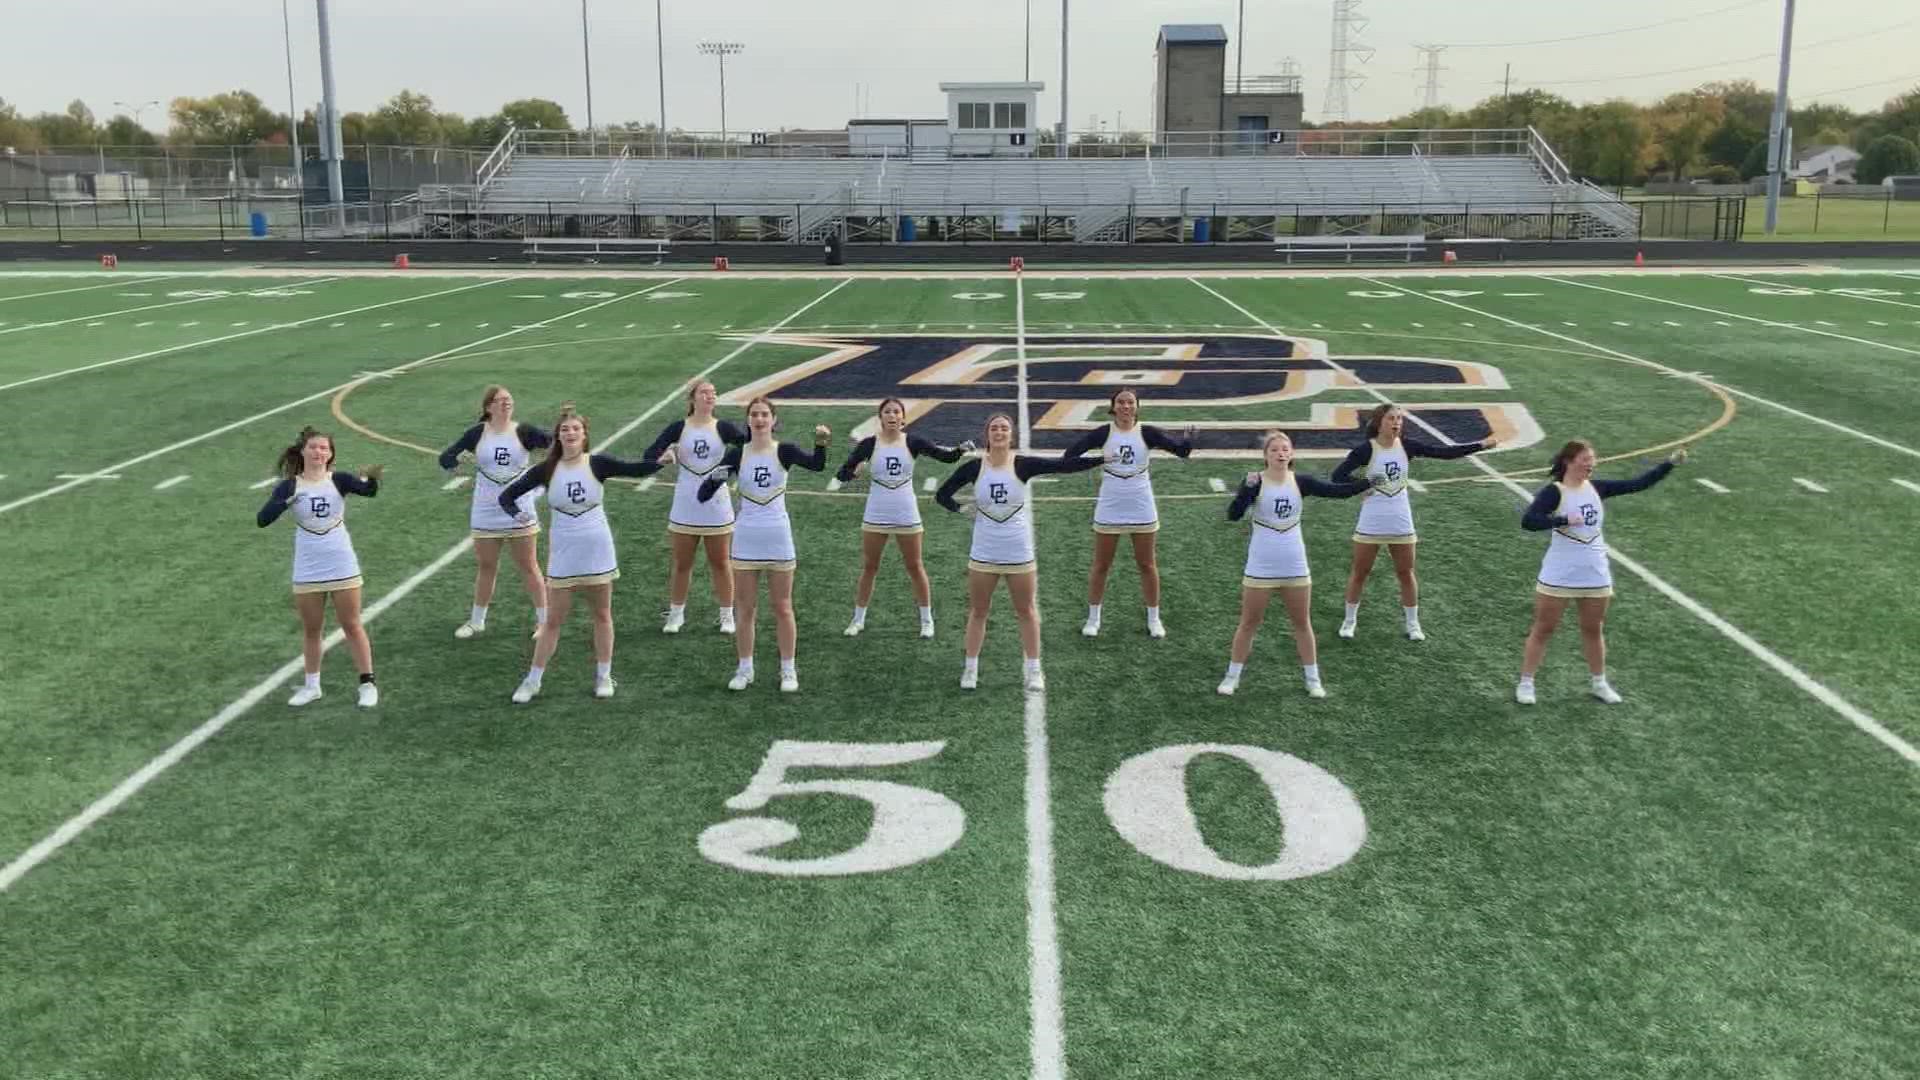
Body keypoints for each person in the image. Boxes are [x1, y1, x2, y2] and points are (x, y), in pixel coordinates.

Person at [499, 406, 667, 703]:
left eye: (576, 429)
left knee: (602, 615)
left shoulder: (598, 464)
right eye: (565, 430)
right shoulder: (546, 469)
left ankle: (604, 676)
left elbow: (633, 469)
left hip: (597, 548)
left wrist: (661, 462)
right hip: (564, 551)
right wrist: (517, 515)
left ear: (584, 435)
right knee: (553, 620)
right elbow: (507, 496)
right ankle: (532, 680)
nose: (570, 433)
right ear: (558, 436)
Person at [935, 413, 1104, 691]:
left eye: (1004, 428)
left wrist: (1101, 460)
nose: (999, 432)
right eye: (994, 428)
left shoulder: (1022, 464)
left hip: (1019, 551)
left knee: (1026, 611)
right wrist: (963, 509)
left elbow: (1062, 466)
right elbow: (942, 495)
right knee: (978, 611)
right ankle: (970, 669)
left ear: (1010, 435)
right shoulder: (974, 468)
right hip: (984, 551)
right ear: (986, 434)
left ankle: (1035, 670)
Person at [1516, 442, 1686, 705]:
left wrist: (1669, 464)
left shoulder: (1597, 487)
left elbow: (1637, 484)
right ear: (1568, 462)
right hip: (1559, 573)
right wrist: (1562, 520)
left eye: (1593, 459)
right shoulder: (1554, 492)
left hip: (1595, 572)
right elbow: (1529, 521)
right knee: (1544, 628)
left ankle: (1599, 683)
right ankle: (1526, 683)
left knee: (1593, 629)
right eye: (1585, 459)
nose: (1591, 464)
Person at [1218, 431, 1370, 697]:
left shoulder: (1301, 482)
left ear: (1292, 454)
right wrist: (1246, 492)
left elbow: (1336, 492)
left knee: (1302, 623)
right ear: (1266, 456)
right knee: (1249, 623)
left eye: (1285, 449)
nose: (1281, 453)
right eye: (1274, 449)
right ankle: (1232, 676)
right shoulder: (1255, 481)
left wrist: (1367, 483)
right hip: (1260, 565)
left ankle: (1313, 680)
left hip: (1295, 565)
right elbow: (1233, 515)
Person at [1330, 403, 1498, 642]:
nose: (1397, 422)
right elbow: (1337, 476)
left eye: (1399, 418)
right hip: (1372, 519)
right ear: (1379, 423)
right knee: (1360, 572)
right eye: (1391, 418)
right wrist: (1363, 485)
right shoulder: (1366, 450)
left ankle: (1413, 624)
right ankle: (1349, 621)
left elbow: (1444, 453)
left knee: (1406, 572)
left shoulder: (1407, 446)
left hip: (1401, 519)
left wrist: (1481, 444)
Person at [697, 397, 830, 692]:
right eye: (754, 414)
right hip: (746, 538)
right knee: (745, 609)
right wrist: (708, 479)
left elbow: (817, 466)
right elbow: (705, 490)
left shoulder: (785, 450)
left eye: (764, 414)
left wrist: (821, 442)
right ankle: (745, 668)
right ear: (748, 420)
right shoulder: (736, 455)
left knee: (783, 607)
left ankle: (788, 670)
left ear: (773, 420)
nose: (759, 419)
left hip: (778, 537)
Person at [255, 427, 381, 709]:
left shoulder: (340, 480)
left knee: (351, 624)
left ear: (331, 453)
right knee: (312, 629)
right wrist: (283, 503)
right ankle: (312, 686)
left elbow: (368, 492)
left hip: (341, 562)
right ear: (303, 451)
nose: (318, 452)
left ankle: (368, 683)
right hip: (308, 567)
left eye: (324, 448)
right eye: (313, 447)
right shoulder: (290, 486)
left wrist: (372, 478)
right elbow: (262, 519)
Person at [1058, 388, 1195, 639]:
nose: (1125, 406)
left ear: (1137, 407)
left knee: (1147, 564)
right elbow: (1069, 457)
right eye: (1121, 402)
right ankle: (1093, 619)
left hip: (1141, 503)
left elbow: (1181, 452)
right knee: (1101, 565)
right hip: (1110, 504)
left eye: (1130, 402)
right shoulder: (1103, 433)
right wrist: (1101, 460)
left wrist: (1187, 441)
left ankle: (1154, 619)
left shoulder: (1147, 432)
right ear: (1113, 407)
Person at [836, 397, 973, 639]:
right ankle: (858, 620)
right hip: (876, 512)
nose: (891, 416)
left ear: (903, 418)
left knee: (915, 566)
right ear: (881, 418)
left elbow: (945, 457)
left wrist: (960, 449)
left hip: (906, 511)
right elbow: (842, 473)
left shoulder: (913, 441)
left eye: (896, 412)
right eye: (887, 412)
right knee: (869, 567)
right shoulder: (869, 444)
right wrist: (853, 473)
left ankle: (927, 621)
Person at [438, 384, 551, 640]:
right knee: (486, 566)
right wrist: (458, 460)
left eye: (509, 399)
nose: (506, 403)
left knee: (529, 566)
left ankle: (544, 622)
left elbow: (552, 443)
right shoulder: (478, 433)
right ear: (489, 407)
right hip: (486, 509)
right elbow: (445, 458)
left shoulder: (523, 430)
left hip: (518, 507)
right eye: (500, 400)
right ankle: (477, 621)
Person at [641, 379, 749, 634]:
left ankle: (727, 615)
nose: (710, 396)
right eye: (704, 392)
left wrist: (729, 470)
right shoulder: (678, 428)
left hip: (716, 503)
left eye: (713, 392)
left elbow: (751, 448)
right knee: (681, 563)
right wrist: (665, 458)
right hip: (685, 503)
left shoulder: (723, 428)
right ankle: (676, 614)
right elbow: (648, 456)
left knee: (721, 562)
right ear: (692, 399)